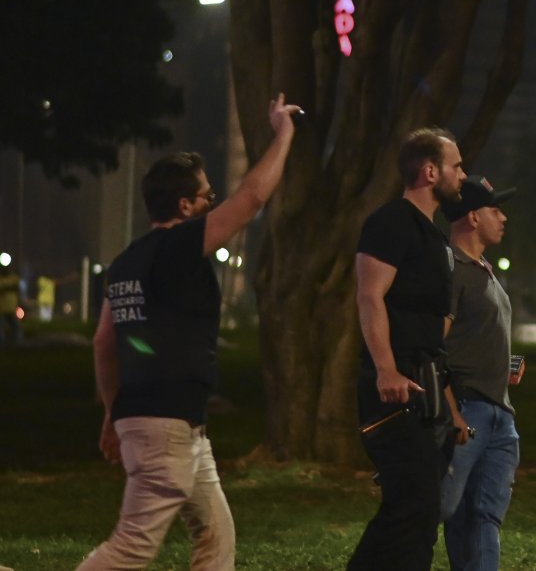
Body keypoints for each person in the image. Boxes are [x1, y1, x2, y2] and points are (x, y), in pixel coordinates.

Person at [78, 94, 299, 570]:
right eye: (207, 198)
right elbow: (252, 197)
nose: (214, 204)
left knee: (215, 532)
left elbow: (103, 343)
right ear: (185, 206)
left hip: (174, 423)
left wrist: (113, 413)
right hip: (166, 424)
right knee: (133, 545)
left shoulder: (125, 263)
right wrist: (284, 134)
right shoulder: (179, 244)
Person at [348, 127, 467, 571]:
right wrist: (386, 369)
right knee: (411, 504)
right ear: (430, 171)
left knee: (422, 511)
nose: (463, 175)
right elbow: (369, 296)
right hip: (395, 390)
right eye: (457, 166)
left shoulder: (433, 236)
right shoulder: (392, 222)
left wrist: (449, 405)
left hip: (427, 388)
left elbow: (432, 325)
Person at [438, 175, 519, 571]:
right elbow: (432, 347)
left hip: (500, 414)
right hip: (467, 412)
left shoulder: (483, 269)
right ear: (472, 217)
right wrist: (451, 411)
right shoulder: (451, 269)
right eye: (495, 210)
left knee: (485, 516)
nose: (503, 218)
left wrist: (504, 366)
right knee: (445, 510)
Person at [0, 263, 20, 347]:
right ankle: (2, 344)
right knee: (2, 328)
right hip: (2, 308)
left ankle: (17, 344)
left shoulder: (14, 278)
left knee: (15, 327)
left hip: (12, 307)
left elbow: (17, 288)